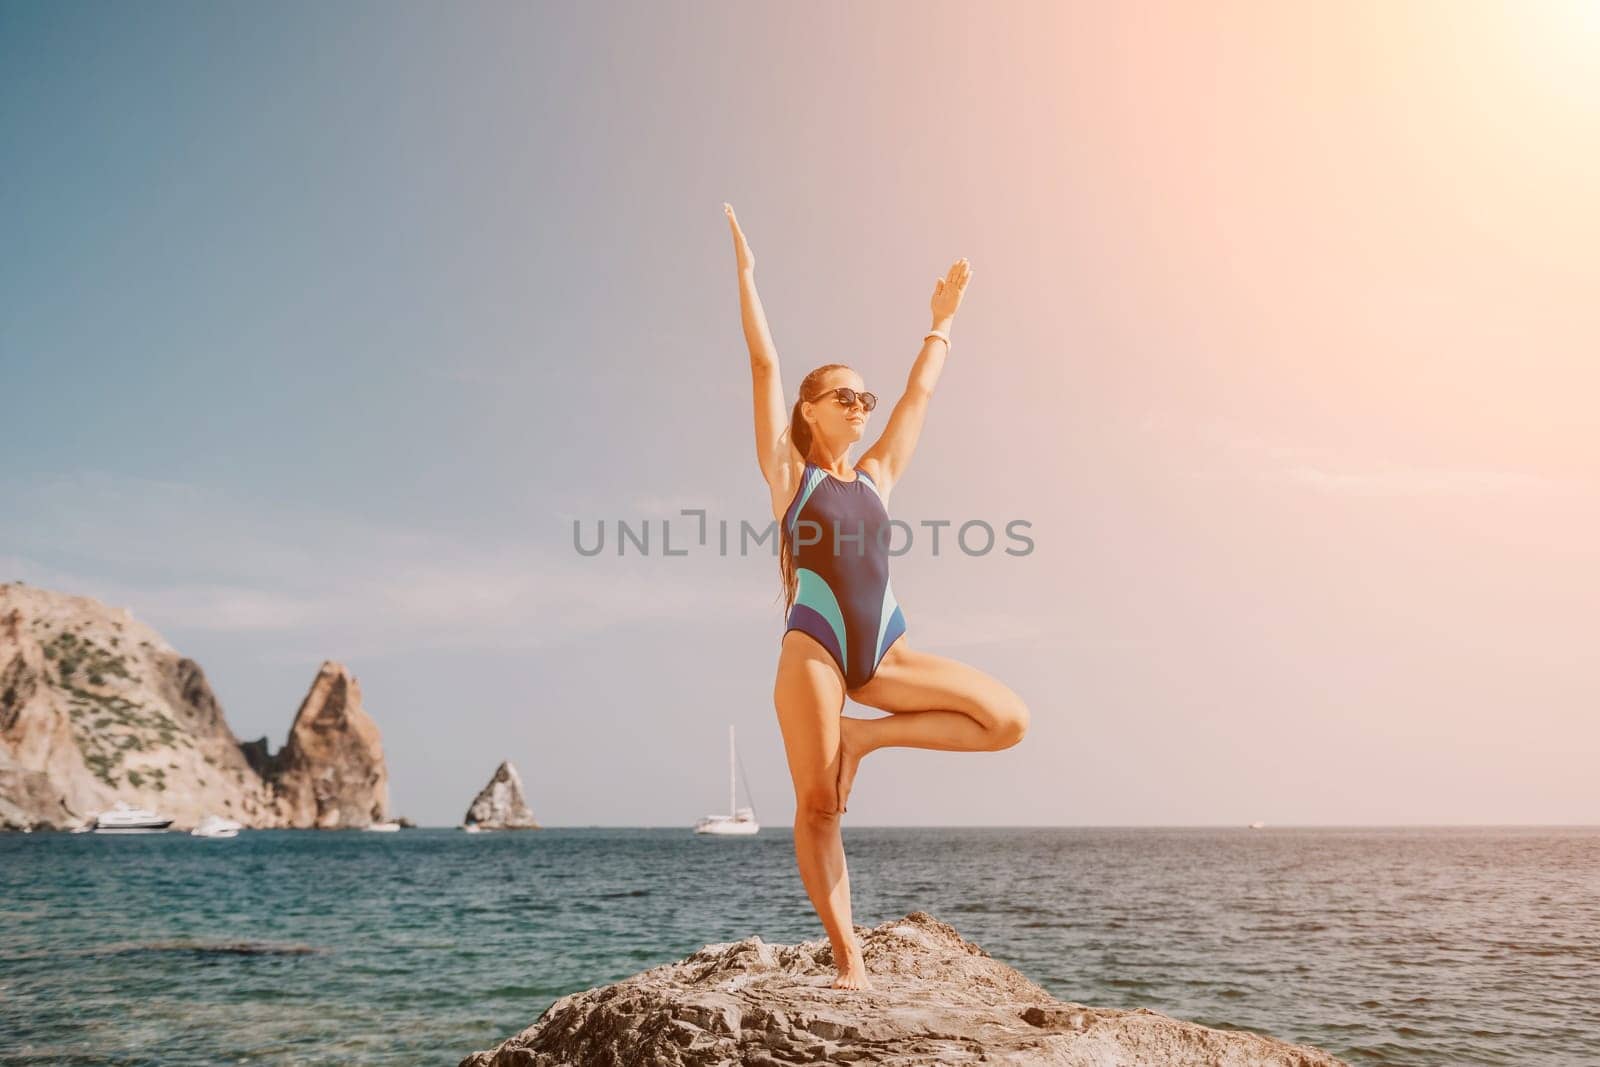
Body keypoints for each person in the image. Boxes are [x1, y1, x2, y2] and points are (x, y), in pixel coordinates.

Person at [723, 203, 1030, 990]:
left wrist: (942, 322)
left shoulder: (879, 476)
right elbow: (763, 366)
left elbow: (918, 399)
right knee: (819, 804)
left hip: (884, 651)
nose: (863, 405)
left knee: (1006, 720)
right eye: (847, 396)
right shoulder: (792, 479)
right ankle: (848, 957)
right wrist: (748, 277)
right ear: (811, 408)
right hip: (815, 653)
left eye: (866, 398)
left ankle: (864, 739)